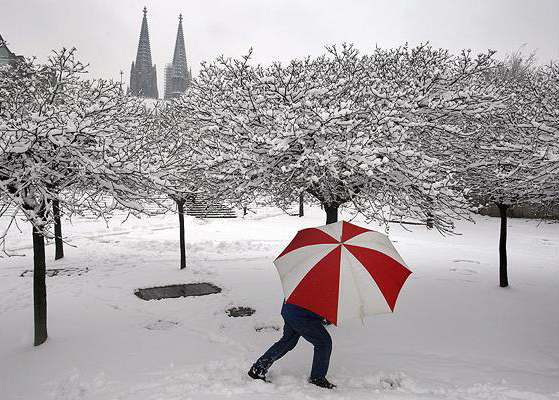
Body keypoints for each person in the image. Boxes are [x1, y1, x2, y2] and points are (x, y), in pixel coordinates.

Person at [248, 301, 336, 389]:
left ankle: (258, 368)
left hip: (290, 308)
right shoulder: (323, 290)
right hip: (302, 315)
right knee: (324, 343)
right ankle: (318, 379)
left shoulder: (303, 287)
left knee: (288, 341)